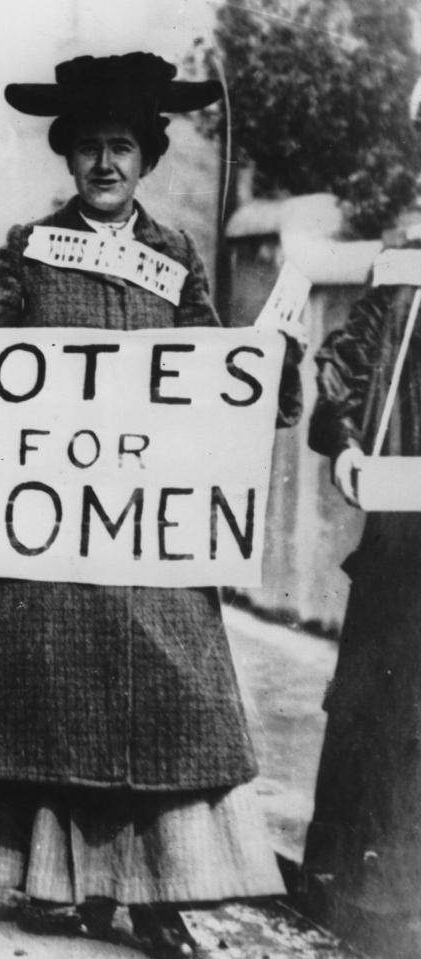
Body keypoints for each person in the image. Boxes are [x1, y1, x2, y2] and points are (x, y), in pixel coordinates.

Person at [0, 54, 301, 959]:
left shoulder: (173, 259)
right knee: (55, 704)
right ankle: (65, 884)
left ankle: (157, 896)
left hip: (148, 547)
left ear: (147, 158)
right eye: (88, 147)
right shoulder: (30, 248)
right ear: (69, 157)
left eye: (121, 147)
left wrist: (269, 376)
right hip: (55, 541)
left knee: (168, 707)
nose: (104, 164)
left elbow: (214, 372)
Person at [302, 117, 421, 950]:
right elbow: (347, 358)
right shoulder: (407, 258)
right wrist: (345, 441)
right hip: (403, 531)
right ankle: (367, 899)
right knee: (380, 709)